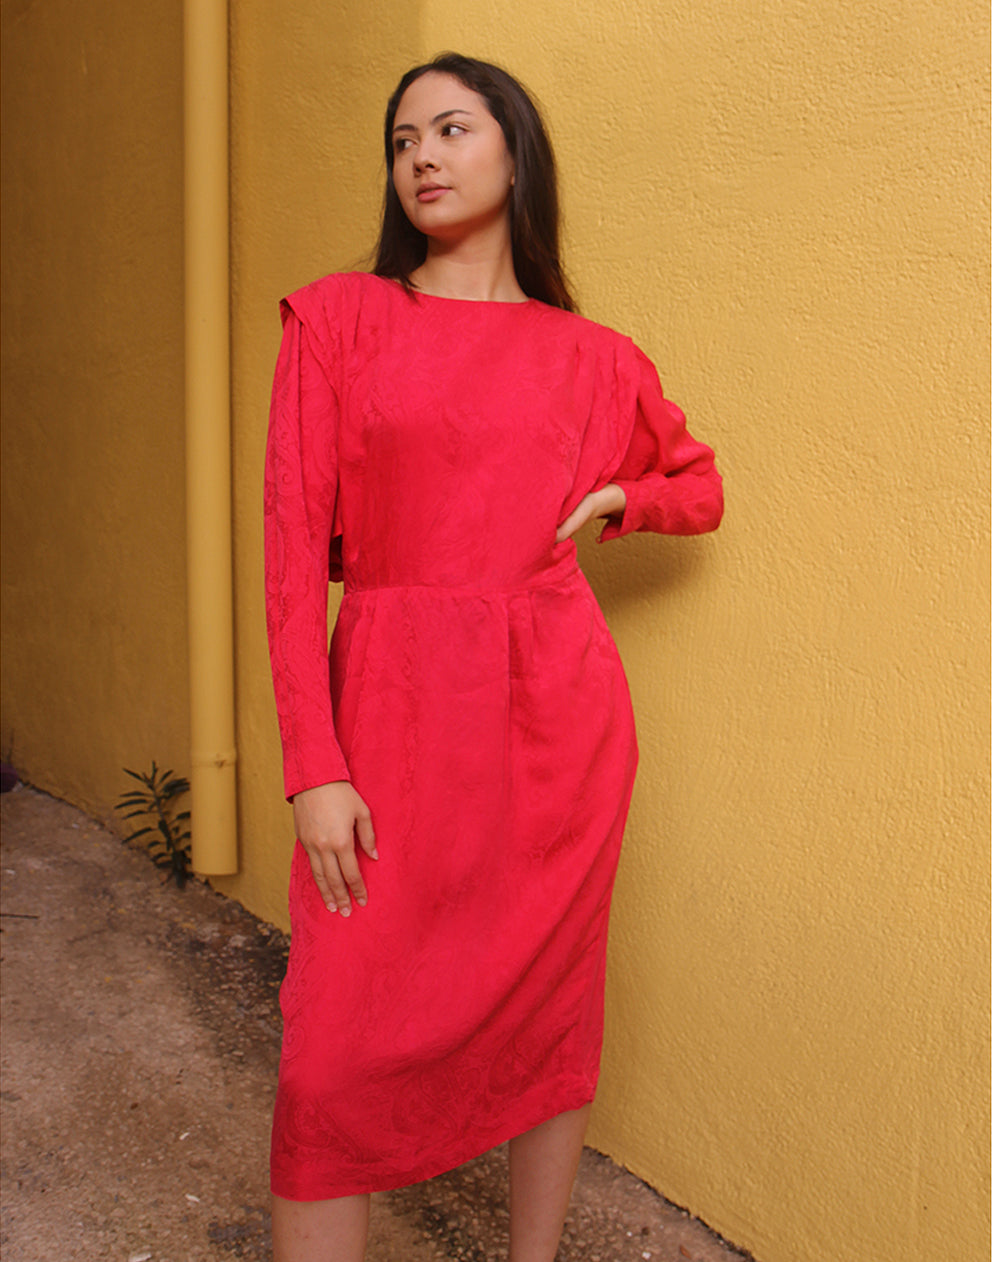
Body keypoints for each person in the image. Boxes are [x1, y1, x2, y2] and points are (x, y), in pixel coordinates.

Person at [264, 52, 723, 1262]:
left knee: (547, 1019)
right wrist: (314, 764)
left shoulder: (595, 357)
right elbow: (284, 552)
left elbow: (699, 480)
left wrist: (624, 496)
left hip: (555, 733)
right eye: (400, 137)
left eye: (451, 129)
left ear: (513, 152)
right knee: (328, 1054)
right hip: (388, 716)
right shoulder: (338, 318)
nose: (419, 153)